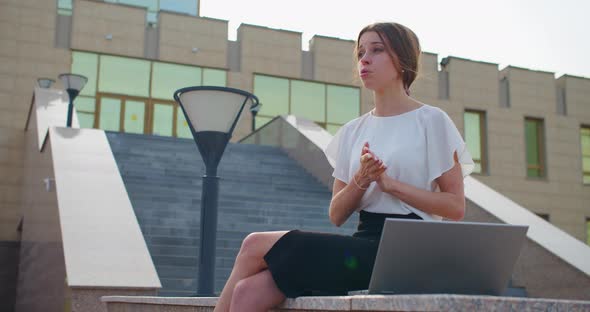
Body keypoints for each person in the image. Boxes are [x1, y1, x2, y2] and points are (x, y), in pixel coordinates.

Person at [213, 22, 474, 312]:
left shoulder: (431, 121)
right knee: (248, 292)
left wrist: (391, 186)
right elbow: (336, 215)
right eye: (361, 52)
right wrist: (362, 178)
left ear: (402, 60)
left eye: (377, 50)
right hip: (363, 243)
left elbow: (455, 206)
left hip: (408, 250)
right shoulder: (352, 131)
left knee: (253, 245)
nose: (364, 59)